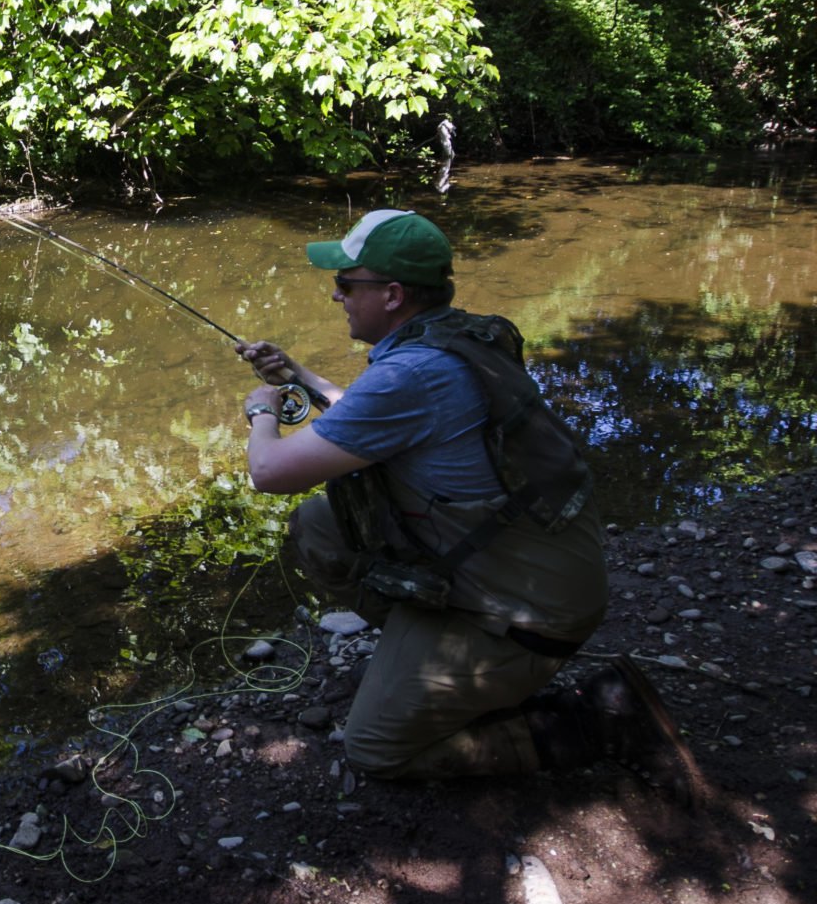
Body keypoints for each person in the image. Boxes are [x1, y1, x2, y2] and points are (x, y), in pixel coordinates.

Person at [234, 208, 702, 799]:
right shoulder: (458, 339)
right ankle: (432, 659)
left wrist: (262, 411)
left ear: (394, 294)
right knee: (323, 523)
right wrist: (297, 373)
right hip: (538, 571)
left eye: (348, 285)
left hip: (530, 612)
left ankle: (603, 719)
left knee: (373, 749)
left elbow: (269, 472)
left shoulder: (408, 377)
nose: (336, 295)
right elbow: (373, 414)